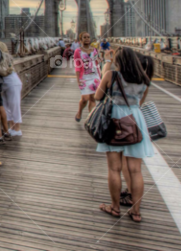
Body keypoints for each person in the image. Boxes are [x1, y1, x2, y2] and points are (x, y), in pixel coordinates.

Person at [94, 47, 154, 223]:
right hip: (135, 120)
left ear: (118, 62)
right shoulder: (144, 80)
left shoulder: (111, 76)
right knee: (136, 170)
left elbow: (98, 97)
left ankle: (115, 208)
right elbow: (139, 103)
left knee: (114, 168)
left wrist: (107, 63)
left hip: (115, 119)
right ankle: (136, 212)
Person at [0, 41, 23, 137]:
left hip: (12, 83)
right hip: (5, 84)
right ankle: (12, 128)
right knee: (7, 107)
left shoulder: (4, 57)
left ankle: (17, 129)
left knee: (14, 106)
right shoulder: (3, 56)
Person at [73, 32, 100, 122]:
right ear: (81, 40)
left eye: (88, 37)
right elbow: (77, 65)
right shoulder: (78, 51)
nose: (87, 39)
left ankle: (91, 119)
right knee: (84, 99)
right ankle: (79, 112)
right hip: (83, 77)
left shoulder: (94, 50)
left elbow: (96, 63)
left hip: (94, 77)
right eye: (85, 37)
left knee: (92, 98)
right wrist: (78, 80)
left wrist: (100, 75)